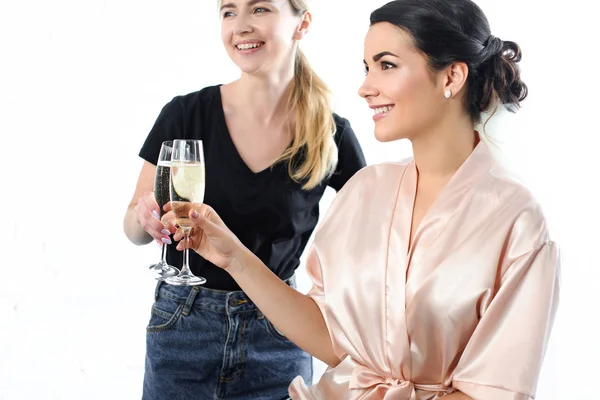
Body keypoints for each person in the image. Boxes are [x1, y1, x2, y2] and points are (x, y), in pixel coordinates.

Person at [172, 0, 561, 399]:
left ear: (452, 76)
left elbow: (495, 391)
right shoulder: (365, 191)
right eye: (366, 67)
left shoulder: (517, 221)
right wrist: (233, 256)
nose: (365, 87)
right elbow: (331, 337)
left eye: (387, 65)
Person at [122, 0, 366, 398]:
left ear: (302, 23)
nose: (241, 26)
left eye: (260, 9)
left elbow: (376, 235)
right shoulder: (186, 114)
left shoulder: (331, 133)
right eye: (229, 11)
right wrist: (143, 217)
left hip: (281, 332)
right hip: (182, 324)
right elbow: (134, 229)